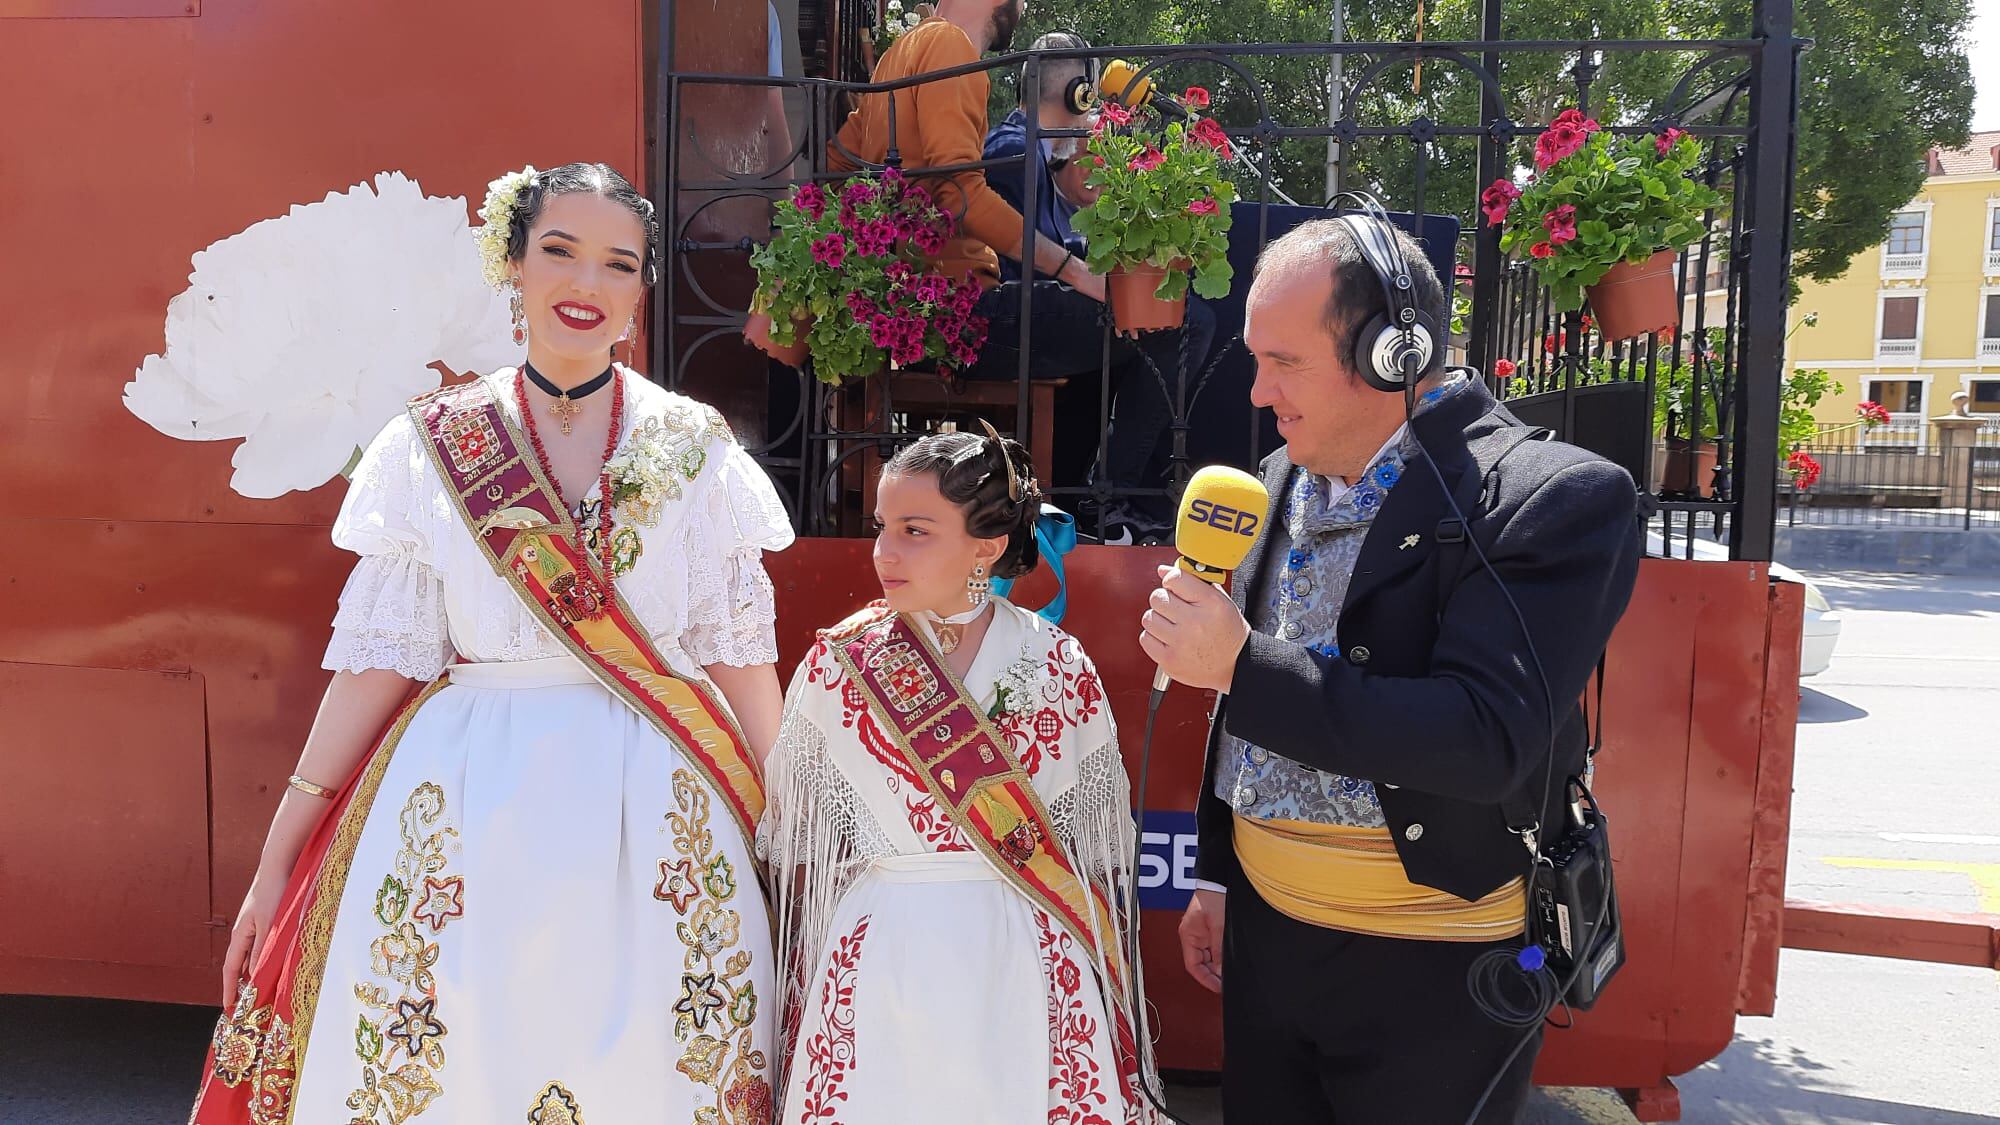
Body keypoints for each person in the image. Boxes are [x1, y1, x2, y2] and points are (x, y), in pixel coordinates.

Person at [189, 162, 795, 1124]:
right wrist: (278, 859)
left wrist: (797, 832)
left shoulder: (696, 448)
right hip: (464, 807)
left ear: (640, 292)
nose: (585, 285)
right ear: (512, 264)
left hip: (661, 816)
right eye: (559, 252)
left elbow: (742, 660)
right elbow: (377, 665)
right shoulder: (434, 445)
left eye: (616, 263)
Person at [1139, 215, 1642, 1123]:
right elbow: (1235, 715)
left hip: (1432, 967)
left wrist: (1241, 667)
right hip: (1267, 937)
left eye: (1283, 361)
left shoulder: (1552, 497)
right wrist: (1217, 876)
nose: (1258, 391)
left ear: (1391, 352)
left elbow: (1485, 738)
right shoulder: (1275, 479)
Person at [759, 426, 1160, 1124]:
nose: (885, 551)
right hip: (886, 944)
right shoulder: (840, 663)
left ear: (988, 544)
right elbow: (801, 836)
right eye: (882, 527)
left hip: (1019, 947)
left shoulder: (1056, 665)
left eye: (916, 530)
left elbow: (1094, 848)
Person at [981, 31, 1217, 542]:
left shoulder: (1033, 153)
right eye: (1088, 92)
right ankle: (1107, 494)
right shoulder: (1014, 149)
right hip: (1001, 320)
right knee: (1187, 323)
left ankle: (1080, 497)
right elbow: (1026, 262)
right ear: (1078, 94)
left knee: (1143, 320)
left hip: (1026, 312)